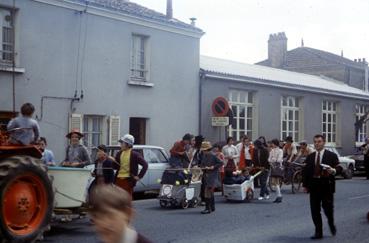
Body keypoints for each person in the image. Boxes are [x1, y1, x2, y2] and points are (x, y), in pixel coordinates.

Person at [302, 134, 339, 240]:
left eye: (319, 141)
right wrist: (305, 185)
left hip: (326, 186)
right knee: (314, 210)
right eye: (315, 142)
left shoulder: (331, 155)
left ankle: (331, 223)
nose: (317, 144)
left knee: (328, 209)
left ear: (324, 142)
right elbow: (306, 172)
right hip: (314, 186)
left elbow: (339, 167)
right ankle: (318, 232)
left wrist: (333, 171)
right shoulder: (310, 157)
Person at [199, 141, 223, 214]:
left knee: (207, 191)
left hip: (212, 175)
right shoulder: (204, 156)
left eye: (204, 150)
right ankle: (212, 207)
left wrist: (213, 167)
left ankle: (207, 208)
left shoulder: (213, 155)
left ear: (207, 150)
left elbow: (221, 163)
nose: (203, 152)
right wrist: (203, 167)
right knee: (209, 191)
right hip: (206, 174)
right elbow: (202, 164)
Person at [268, 139, 284, 203]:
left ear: (275, 144)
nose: (272, 144)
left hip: (277, 167)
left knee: (275, 181)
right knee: (275, 182)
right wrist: (272, 160)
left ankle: (279, 196)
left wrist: (272, 160)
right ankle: (279, 196)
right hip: (273, 166)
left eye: (273, 143)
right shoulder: (272, 150)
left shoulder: (280, 150)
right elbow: (269, 159)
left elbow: (279, 159)